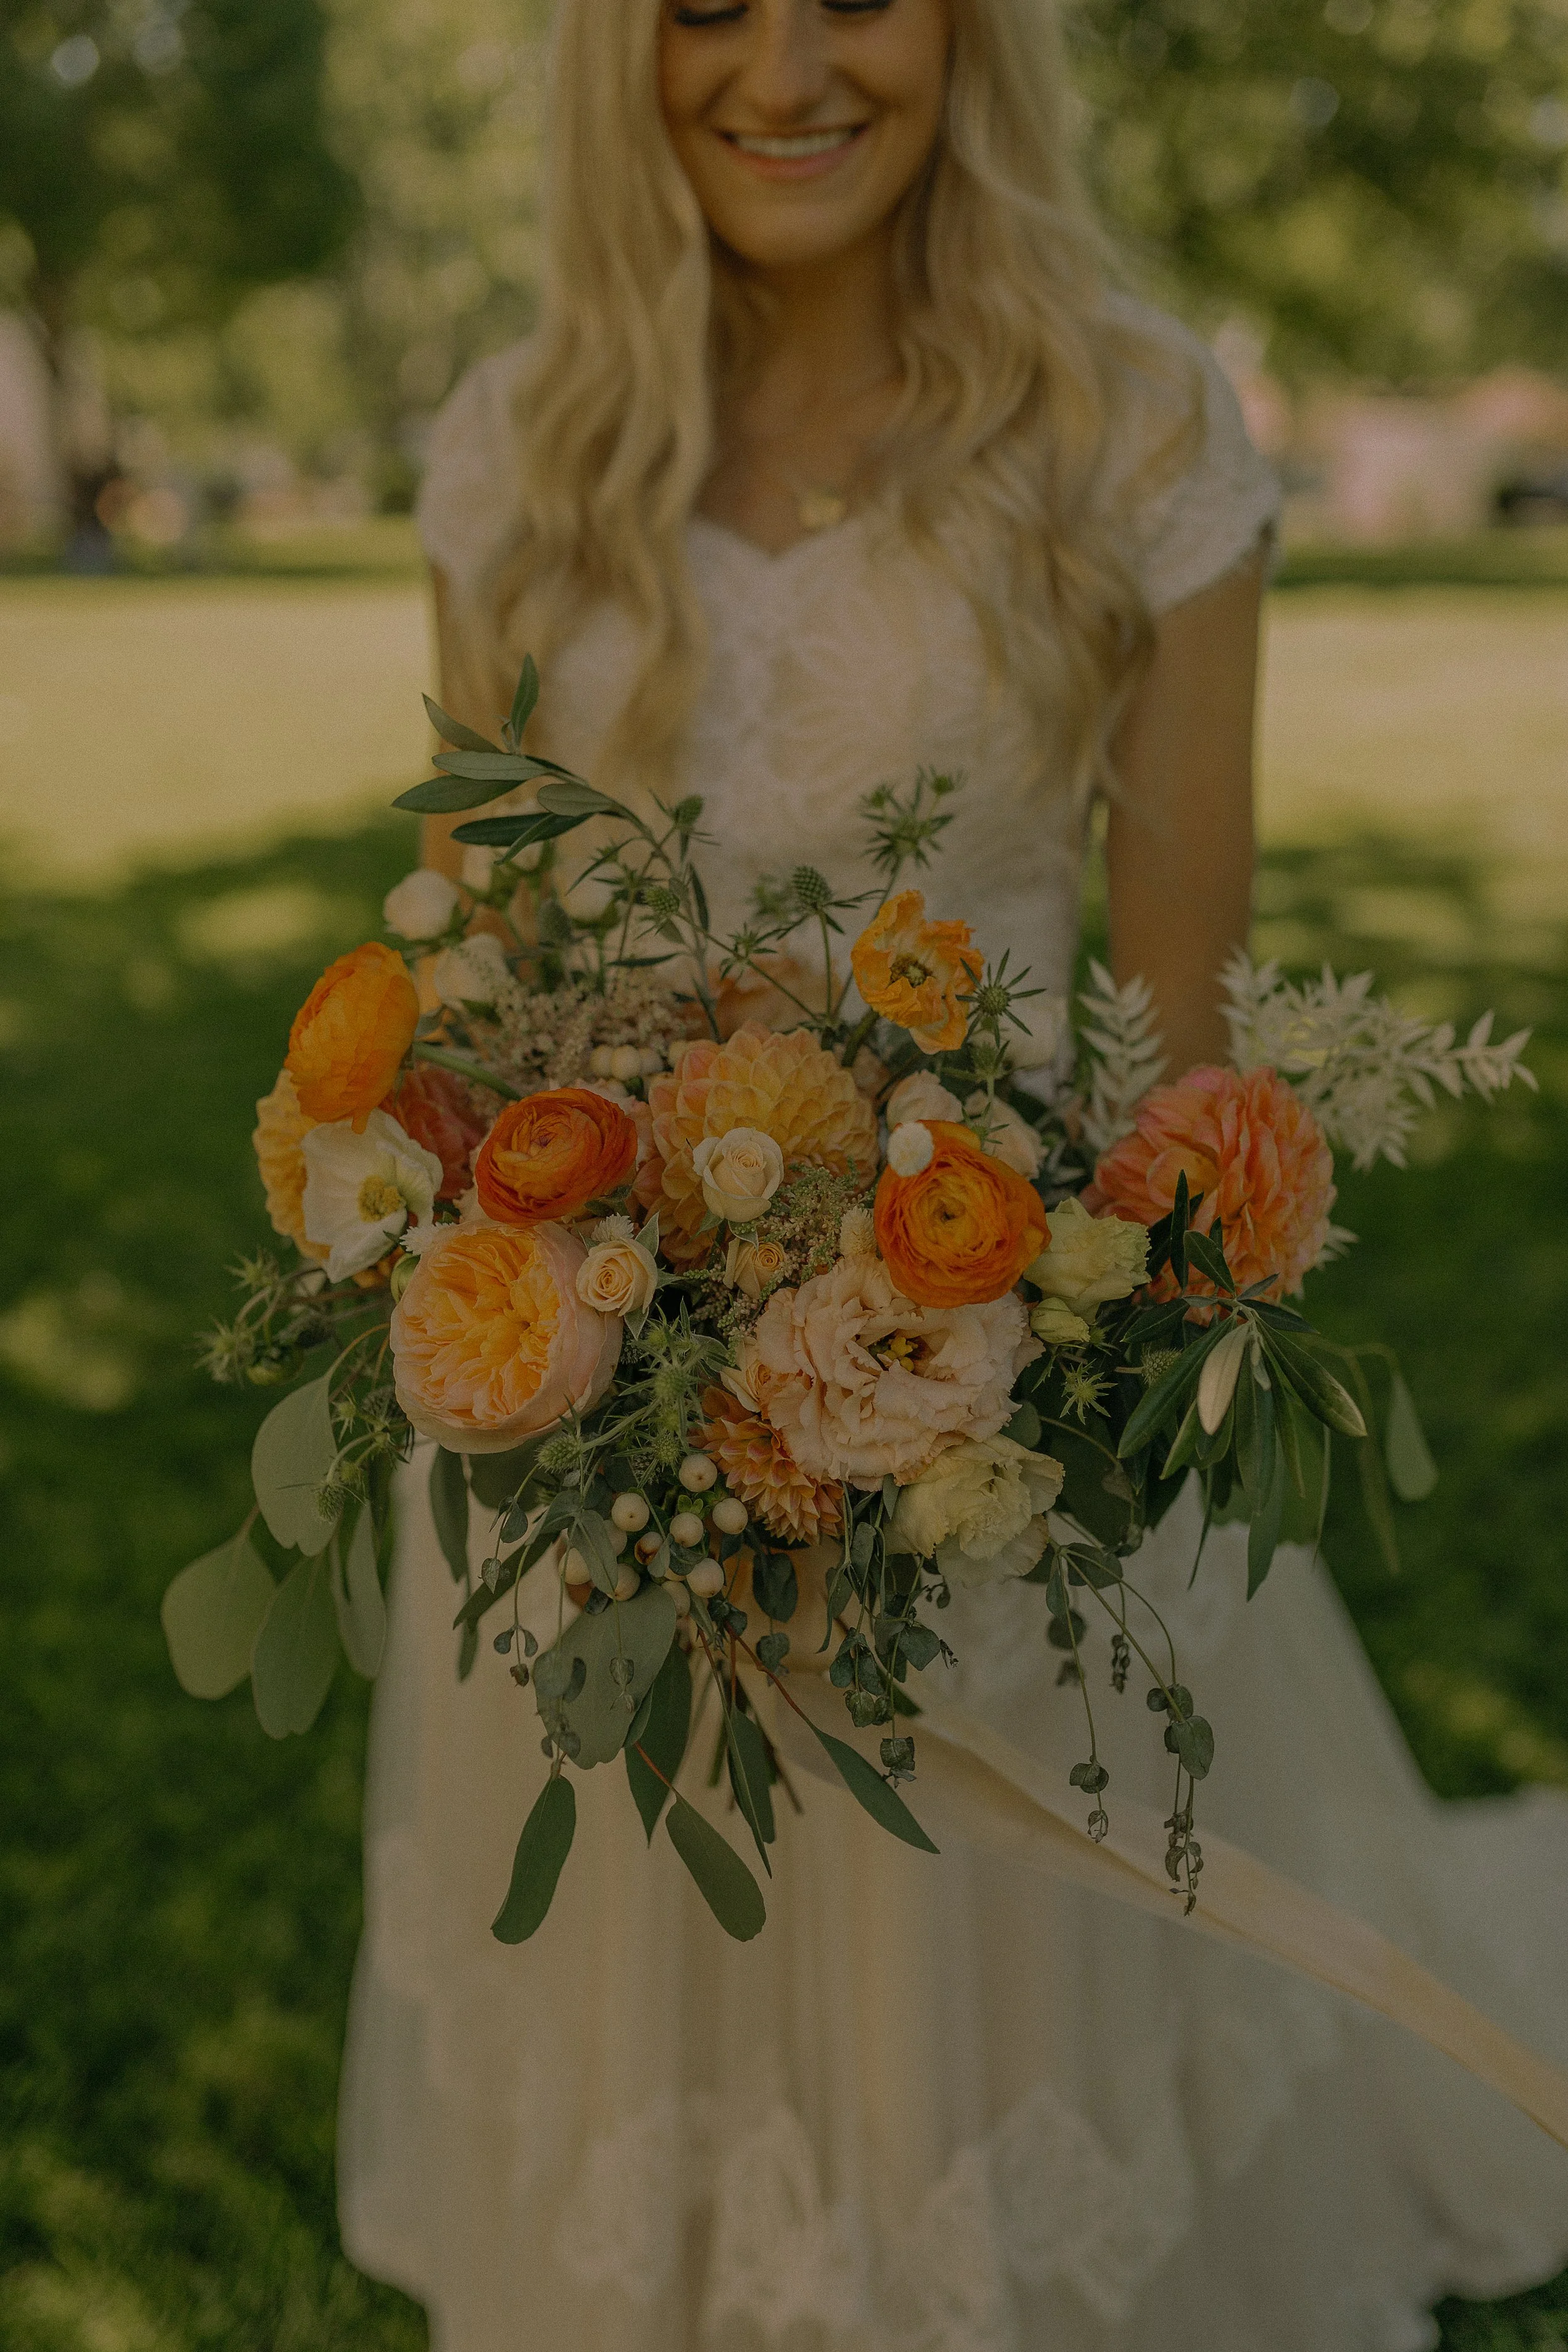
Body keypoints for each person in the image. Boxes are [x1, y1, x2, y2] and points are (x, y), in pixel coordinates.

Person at [337, 4, 1568, 2346]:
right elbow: (475, 1003)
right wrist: (613, 1383)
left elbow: (1176, 1048)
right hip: (599, 1378)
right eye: (707, 1)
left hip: (997, 1371)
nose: (784, 67)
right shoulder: (524, 443)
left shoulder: (1127, 421)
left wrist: (949, 1401)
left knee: (990, 2001)